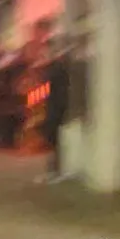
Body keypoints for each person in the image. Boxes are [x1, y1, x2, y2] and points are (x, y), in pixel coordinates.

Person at [37, 36, 73, 184]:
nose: (43, 53)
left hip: (57, 106)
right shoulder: (56, 65)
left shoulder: (57, 66)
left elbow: (51, 86)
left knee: (54, 139)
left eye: (46, 50)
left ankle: (56, 171)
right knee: (52, 139)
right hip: (55, 105)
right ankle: (52, 170)